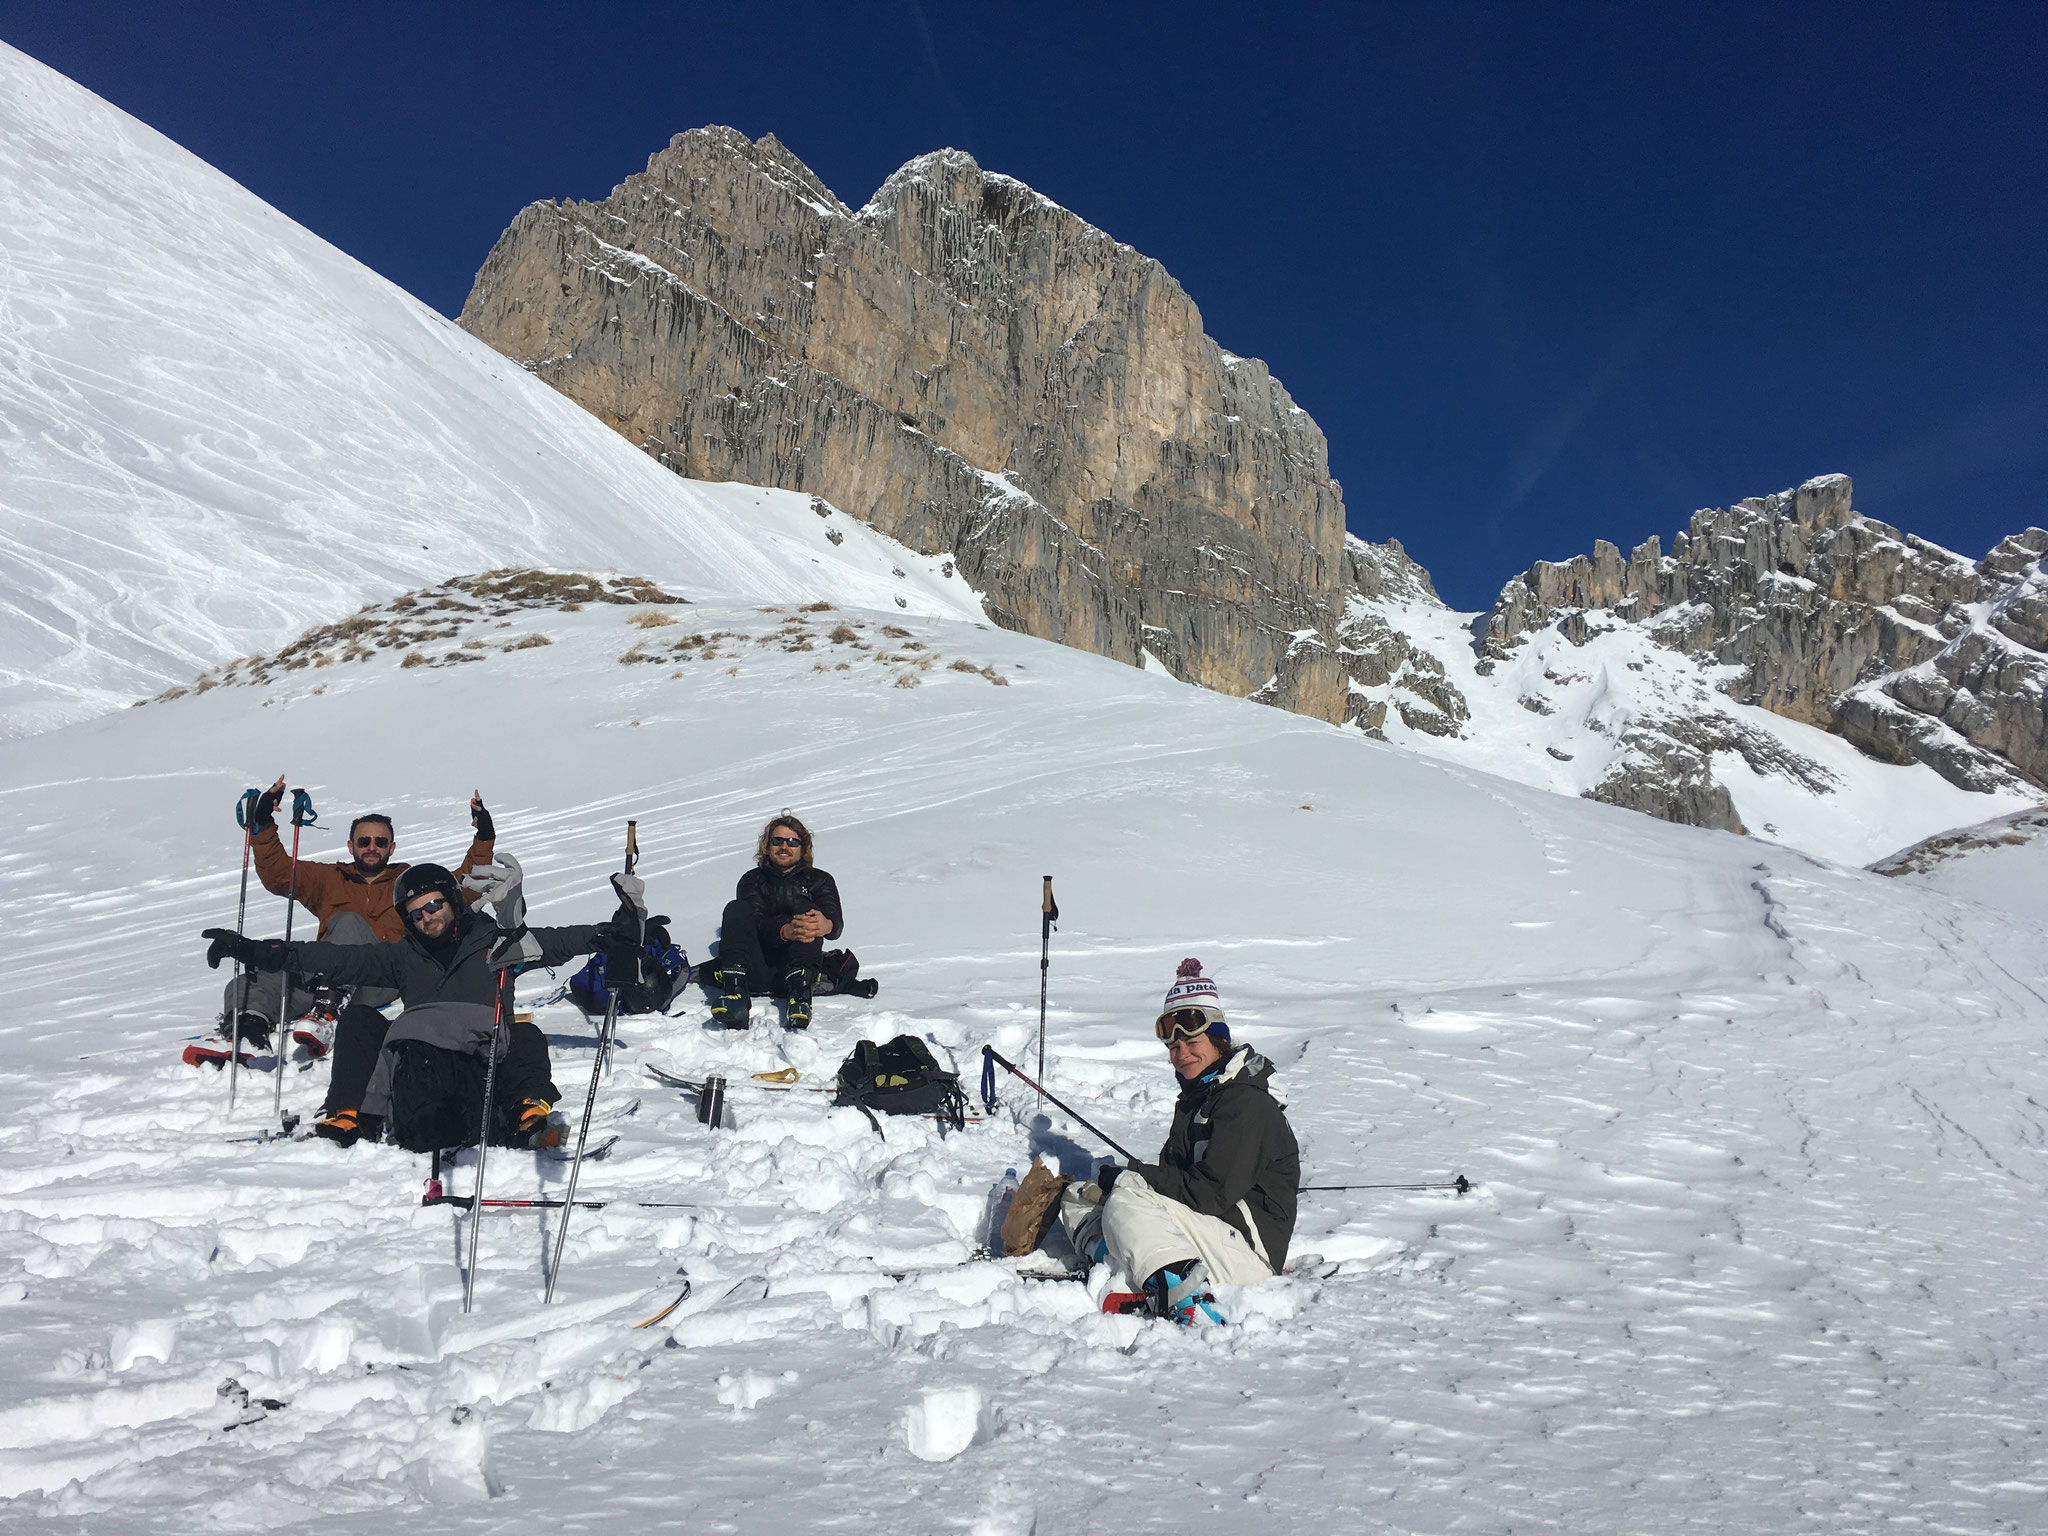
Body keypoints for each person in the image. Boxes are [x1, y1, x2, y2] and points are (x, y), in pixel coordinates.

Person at [203, 862, 639, 1151]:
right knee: (360, 1017)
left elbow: (561, 941)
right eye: (416, 913)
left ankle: (527, 1114)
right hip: (422, 1070)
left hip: (480, 1066)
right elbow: (333, 960)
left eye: (433, 905)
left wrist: (614, 932)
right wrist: (259, 952)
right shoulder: (402, 956)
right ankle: (349, 1115)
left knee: (523, 1032)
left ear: (451, 901)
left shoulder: (496, 944)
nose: (427, 916)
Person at [1059, 958, 1299, 1325]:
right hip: (1213, 1233)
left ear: (1218, 1039)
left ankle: (1183, 1294)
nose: (1181, 1052)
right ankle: (1118, 1265)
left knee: (1128, 1197)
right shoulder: (1199, 1098)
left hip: (1250, 1257)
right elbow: (1175, 1183)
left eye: (1191, 1040)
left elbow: (1208, 1194)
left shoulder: (1246, 1104)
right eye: (1172, 1044)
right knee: (1080, 1195)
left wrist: (1133, 1177)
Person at [219, 778, 497, 1057]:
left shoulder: (407, 883)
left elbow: (462, 891)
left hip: (376, 980)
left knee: (348, 921)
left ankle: (328, 1011)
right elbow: (278, 875)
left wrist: (483, 837)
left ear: (392, 847)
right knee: (249, 983)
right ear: (351, 846)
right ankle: (248, 1030)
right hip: (323, 974)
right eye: (364, 841)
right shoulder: (329, 878)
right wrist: (264, 823)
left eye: (380, 842)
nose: (372, 847)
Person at [709, 814, 843, 1030]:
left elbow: (836, 924)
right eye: (777, 841)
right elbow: (756, 923)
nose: (784, 847)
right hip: (755, 968)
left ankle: (799, 998)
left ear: (802, 847)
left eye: (792, 842)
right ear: (767, 845)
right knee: (736, 908)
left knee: (809, 912)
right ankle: (736, 994)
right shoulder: (752, 880)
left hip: (797, 966)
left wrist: (826, 925)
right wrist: (785, 931)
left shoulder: (820, 880)